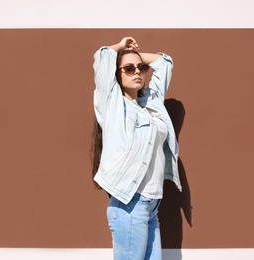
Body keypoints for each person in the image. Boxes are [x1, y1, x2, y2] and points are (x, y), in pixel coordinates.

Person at [91, 37, 182, 260]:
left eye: (141, 68)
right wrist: (122, 47)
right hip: (130, 204)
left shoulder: (152, 101)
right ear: (117, 74)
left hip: (152, 204)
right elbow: (103, 56)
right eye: (129, 69)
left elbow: (164, 63)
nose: (137, 72)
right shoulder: (111, 103)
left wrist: (136, 56)